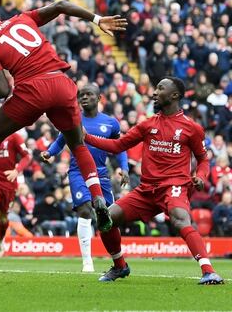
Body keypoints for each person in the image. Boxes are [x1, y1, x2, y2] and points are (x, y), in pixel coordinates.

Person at [0, 0, 127, 235]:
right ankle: (98, 198)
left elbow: (3, 90)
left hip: (33, 89)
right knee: (77, 144)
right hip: (62, 84)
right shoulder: (22, 18)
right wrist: (96, 19)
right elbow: (62, 5)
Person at [82, 77, 224, 285]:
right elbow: (117, 145)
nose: (155, 92)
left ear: (174, 95)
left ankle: (208, 271)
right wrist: (85, 136)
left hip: (174, 186)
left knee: (179, 218)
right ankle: (120, 266)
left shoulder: (191, 128)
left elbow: (203, 159)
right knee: (107, 219)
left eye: (160, 88)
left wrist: (201, 177)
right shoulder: (147, 124)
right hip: (146, 189)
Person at [42, 84, 128, 273]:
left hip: (102, 174)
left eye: (89, 94)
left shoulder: (111, 123)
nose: (84, 98)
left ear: (99, 98)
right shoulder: (73, 119)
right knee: (84, 210)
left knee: (108, 216)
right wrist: (49, 153)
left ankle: (117, 259)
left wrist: (124, 168)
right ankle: (87, 262)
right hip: (78, 171)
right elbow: (61, 140)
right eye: (81, 95)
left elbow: (119, 147)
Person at [0, 131, 30, 261]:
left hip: (8, 181)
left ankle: (1, 240)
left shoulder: (14, 137)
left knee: (3, 217)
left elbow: (26, 156)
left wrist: (17, 171)